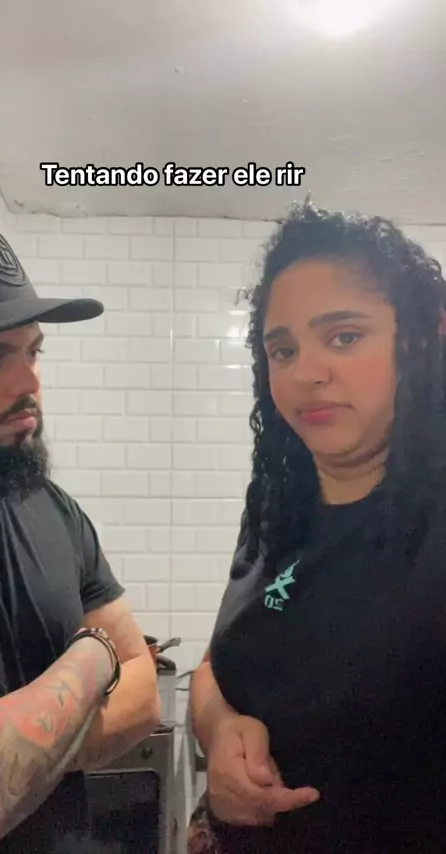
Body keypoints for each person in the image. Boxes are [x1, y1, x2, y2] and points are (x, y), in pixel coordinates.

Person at [187, 200, 446, 853]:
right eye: (283, 349)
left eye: (345, 336)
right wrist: (219, 729)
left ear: (421, 342)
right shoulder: (275, 508)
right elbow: (218, 663)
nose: (306, 372)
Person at [0, 217, 160, 854]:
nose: (30, 384)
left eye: (33, 352)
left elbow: (145, 695)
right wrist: (94, 654)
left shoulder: (51, 507)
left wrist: (20, 752)